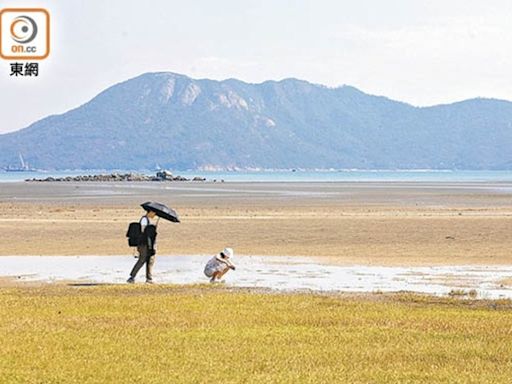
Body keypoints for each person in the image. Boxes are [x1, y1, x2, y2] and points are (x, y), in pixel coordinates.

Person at [127, 210, 158, 284]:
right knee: (142, 260)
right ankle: (132, 277)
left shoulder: (148, 220)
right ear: (150, 212)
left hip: (148, 244)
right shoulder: (144, 220)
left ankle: (149, 279)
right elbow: (143, 232)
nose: (154, 215)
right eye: (154, 213)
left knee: (150, 260)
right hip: (144, 244)